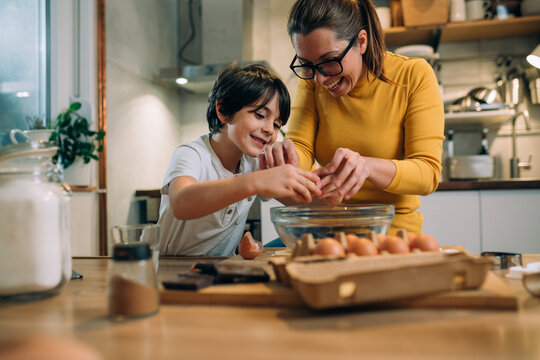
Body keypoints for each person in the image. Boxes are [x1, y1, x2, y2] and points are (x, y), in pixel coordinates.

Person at [260, 0, 444, 235]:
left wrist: (368, 166)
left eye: (329, 61)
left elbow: (427, 173)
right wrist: (288, 159)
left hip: (392, 235)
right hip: (327, 231)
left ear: (361, 42)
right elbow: (302, 146)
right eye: (307, 65)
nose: (320, 79)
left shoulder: (413, 76)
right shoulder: (313, 83)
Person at [158, 63, 321, 256]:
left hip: (218, 273)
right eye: (260, 115)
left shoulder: (254, 163)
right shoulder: (192, 153)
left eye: (277, 124)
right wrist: (257, 181)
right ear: (223, 110)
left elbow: (304, 203)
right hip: (167, 268)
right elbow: (181, 203)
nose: (270, 130)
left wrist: (328, 185)